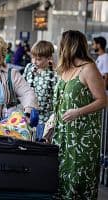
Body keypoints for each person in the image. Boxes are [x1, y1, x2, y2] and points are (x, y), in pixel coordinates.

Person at [53, 30, 107, 200]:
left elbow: (103, 100)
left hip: (82, 137)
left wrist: (78, 112)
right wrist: (51, 123)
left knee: (78, 178)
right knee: (61, 178)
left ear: (67, 46)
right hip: (63, 135)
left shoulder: (88, 68)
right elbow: (59, 102)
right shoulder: (65, 69)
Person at [23, 40, 57, 125]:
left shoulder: (54, 74)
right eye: (32, 58)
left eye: (38, 59)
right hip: (27, 115)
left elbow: (57, 98)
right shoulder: (29, 68)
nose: (34, 62)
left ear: (49, 58)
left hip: (44, 119)